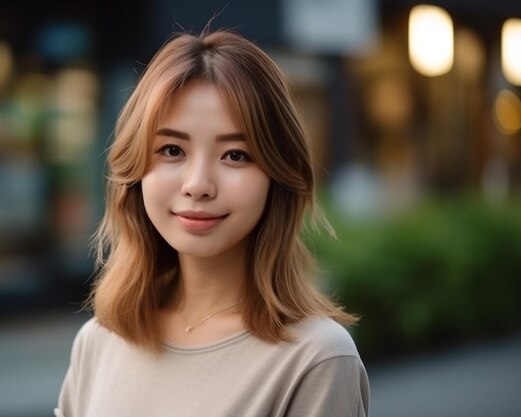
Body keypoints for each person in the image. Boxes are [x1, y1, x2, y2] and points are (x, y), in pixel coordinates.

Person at [55, 28, 369, 417]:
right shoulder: (99, 341)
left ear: (277, 174)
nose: (198, 185)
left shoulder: (316, 359)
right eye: (172, 150)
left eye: (235, 155)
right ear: (135, 171)